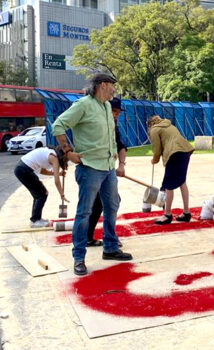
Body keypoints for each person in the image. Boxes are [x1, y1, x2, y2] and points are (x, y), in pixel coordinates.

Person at [52, 73, 132, 277]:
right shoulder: (83, 105)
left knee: (112, 205)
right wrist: (68, 152)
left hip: (107, 167)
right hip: (89, 168)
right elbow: (58, 126)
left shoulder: (106, 106)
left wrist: (114, 153)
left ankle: (110, 248)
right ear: (103, 85)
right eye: (112, 86)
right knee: (84, 212)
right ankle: (79, 257)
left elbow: (112, 135)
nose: (114, 90)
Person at [86, 97, 126, 247]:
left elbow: (121, 146)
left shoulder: (113, 125)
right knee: (98, 204)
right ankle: (105, 239)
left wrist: (121, 165)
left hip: (107, 171)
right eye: (113, 111)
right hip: (93, 169)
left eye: (118, 112)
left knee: (105, 202)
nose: (116, 115)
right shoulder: (97, 123)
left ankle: (94, 237)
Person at [147, 115, 195, 225]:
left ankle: (167, 215)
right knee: (182, 181)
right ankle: (186, 213)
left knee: (168, 184)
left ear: (150, 125)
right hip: (185, 152)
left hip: (174, 154)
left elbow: (157, 150)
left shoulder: (154, 129)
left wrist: (154, 160)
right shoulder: (169, 124)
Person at [14, 146, 68, 228]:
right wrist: (62, 194)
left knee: (39, 194)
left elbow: (43, 171)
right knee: (42, 194)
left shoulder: (50, 153)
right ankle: (35, 220)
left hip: (21, 169)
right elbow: (57, 181)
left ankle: (36, 218)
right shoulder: (54, 158)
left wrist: (59, 174)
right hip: (24, 170)